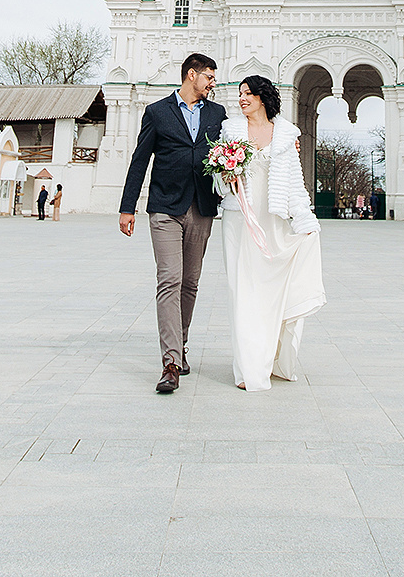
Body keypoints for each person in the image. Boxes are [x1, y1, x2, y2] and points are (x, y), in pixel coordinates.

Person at [119, 53, 224, 394]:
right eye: (208, 76)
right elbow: (139, 160)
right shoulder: (157, 111)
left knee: (190, 282)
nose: (212, 82)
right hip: (165, 206)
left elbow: (240, 143)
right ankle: (170, 363)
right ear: (191, 75)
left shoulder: (217, 114)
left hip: (201, 207)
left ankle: (181, 346)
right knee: (170, 280)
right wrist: (127, 207)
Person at [216, 75, 325, 392]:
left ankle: (274, 358)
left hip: (273, 222)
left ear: (263, 97)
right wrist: (225, 171)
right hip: (240, 221)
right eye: (240, 94)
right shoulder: (231, 131)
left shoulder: (287, 134)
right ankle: (248, 368)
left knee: (271, 293)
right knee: (242, 292)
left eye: (248, 93)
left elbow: (294, 183)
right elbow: (222, 183)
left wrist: (305, 220)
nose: (242, 99)